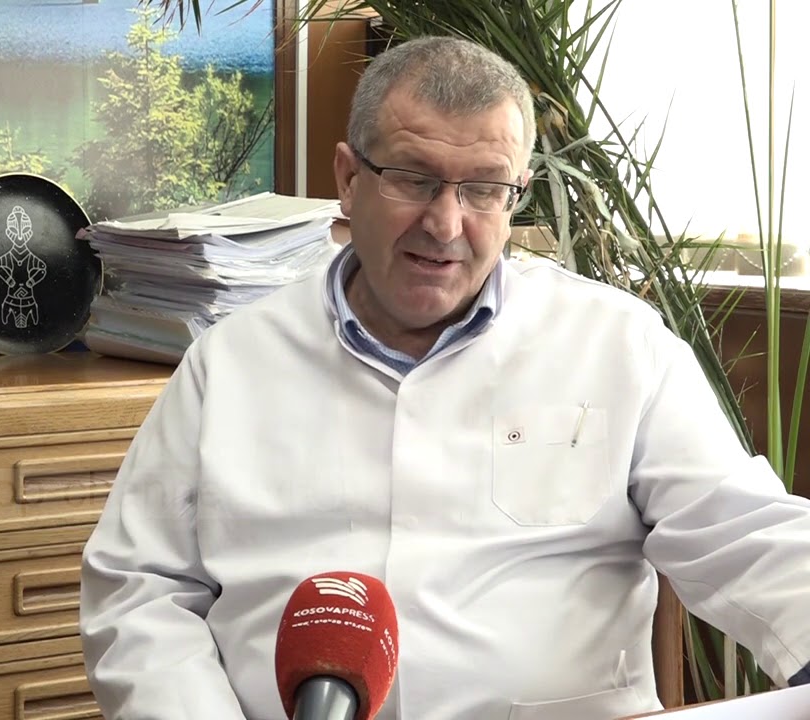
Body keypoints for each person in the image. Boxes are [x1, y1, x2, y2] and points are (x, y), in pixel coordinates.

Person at [78, 35, 810, 720]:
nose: (446, 223)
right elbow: (140, 590)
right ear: (349, 179)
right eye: (414, 179)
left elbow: (743, 531)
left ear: (516, 194)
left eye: (485, 188)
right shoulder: (230, 363)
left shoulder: (618, 344)